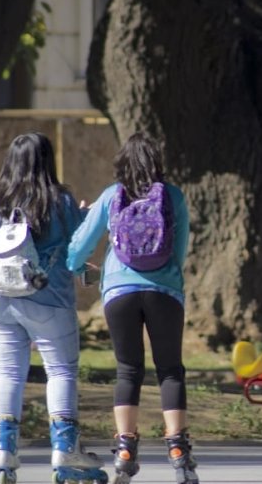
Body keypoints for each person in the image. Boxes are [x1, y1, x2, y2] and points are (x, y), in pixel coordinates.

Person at [0, 132, 104, 483]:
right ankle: (65, 451)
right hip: (47, 300)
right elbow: (80, 242)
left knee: (9, 373)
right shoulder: (60, 201)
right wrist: (81, 218)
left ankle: (4, 452)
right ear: (48, 160)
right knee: (61, 371)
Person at [66, 132, 196, 484]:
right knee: (170, 370)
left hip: (119, 293)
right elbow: (179, 250)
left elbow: (79, 247)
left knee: (128, 370)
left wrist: (81, 268)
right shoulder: (173, 196)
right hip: (165, 292)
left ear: (122, 163)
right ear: (157, 163)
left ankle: (125, 449)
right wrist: (169, 280)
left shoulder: (111, 196)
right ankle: (178, 451)